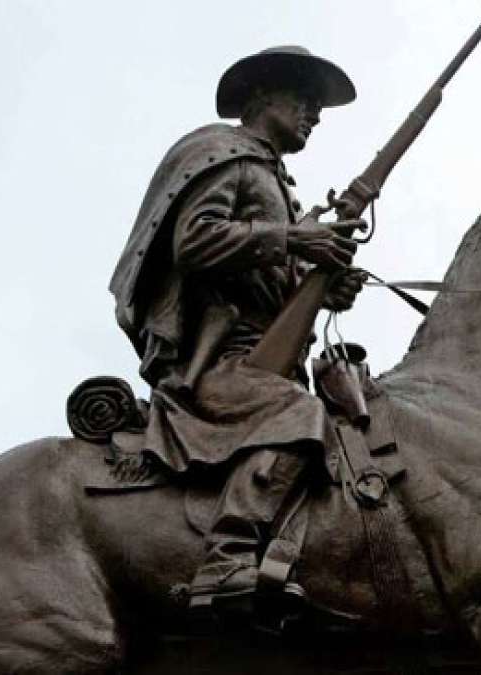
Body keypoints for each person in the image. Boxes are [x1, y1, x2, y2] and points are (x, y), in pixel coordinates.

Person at [108, 46, 366, 613]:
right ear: (261, 96)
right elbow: (195, 242)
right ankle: (227, 556)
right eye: (305, 99)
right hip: (220, 361)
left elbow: (278, 287)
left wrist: (327, 283)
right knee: (299, 415)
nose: (315, 114)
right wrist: (298, 238)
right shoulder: (230, 157)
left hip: (266, 360)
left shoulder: (277, 182)